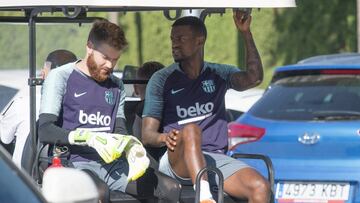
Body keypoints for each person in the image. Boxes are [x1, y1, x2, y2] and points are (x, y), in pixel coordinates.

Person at [38, 20, 180, 202]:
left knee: (170, 188)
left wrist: (130, 145)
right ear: (89, 47)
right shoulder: (61, 77)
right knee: (99, 192)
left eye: (115, 59)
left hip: (112, 165)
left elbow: (119, 130)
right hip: (74, 162)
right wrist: (86, 137)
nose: (110, 65)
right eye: (105, 57)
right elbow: (45, 130)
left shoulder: (117, 85)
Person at [142, 11, 271, 203]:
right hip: (177, 161)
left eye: (180, 38)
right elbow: (147, 135)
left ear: (199, 41)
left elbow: (254, 78)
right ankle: (204, 197)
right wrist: (164, 137)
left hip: (213, 158)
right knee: (191, 130)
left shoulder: (219, 73)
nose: (174, 44)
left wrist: (245, 32)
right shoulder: (161, 79)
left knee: (261, 187)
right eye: (172, 39)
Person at [0, 49, 77, 167]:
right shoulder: (83, 110)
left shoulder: (22, 104)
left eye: (44, 71)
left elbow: (4, 140)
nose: (41, 73)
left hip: (24, 181)